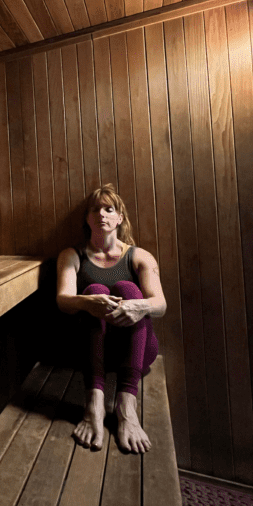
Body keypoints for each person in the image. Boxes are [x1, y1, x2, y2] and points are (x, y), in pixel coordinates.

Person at [55, 184, 166, 454]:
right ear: (87, 218)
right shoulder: (73, 256)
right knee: (95, 291)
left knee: (129, 291)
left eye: (109, 209)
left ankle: (127, 405)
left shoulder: (139, 256)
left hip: (136, 352)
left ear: (120, 218)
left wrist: (137, 307)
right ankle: (95, 401)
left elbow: (160, 305)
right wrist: (88, 302)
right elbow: (63, 300)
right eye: (95, 209)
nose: (102, 214)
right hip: (94, 350)